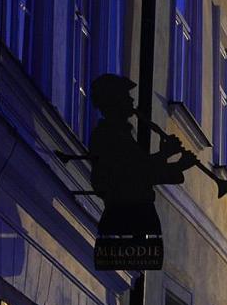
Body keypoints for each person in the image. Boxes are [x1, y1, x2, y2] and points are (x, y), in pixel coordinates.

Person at [85, 74, 198, 236]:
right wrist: (165, 154)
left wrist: (177, 164)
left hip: (135, 216)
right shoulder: (108, 134)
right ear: (114, 100)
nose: (131, 101)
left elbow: (142, 172)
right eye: (126, 96)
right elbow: (134, 173)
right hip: (126, 216)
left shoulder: (120, 134)